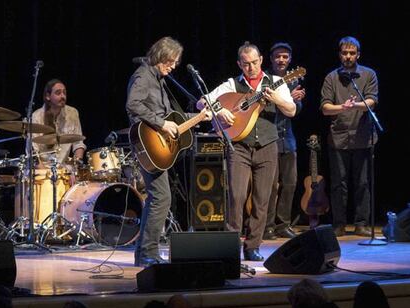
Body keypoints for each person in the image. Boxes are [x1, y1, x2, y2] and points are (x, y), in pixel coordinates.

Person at [197, 41, 296, 261]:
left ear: (261, 60)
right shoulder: (232, 84)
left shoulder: (278, 82)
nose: (251, 67)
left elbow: (291, 110)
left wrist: (276, 98)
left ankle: (252, 247)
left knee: (262, 198)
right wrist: (220, 110)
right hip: (239, 146)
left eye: (254, 62)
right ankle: (231, 246)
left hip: (268, 146)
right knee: (237, 195)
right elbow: (201, 102)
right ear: (239, 64)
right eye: (246, 64)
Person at [126, 36, 211, 267]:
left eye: (176, 62)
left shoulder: (160, 80)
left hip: (157, 146)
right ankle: (147, 253)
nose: (174, 66)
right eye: (171, 61)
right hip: (147, 145)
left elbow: (172, 119)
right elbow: (133, 105)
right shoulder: (143, 76)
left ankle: (143, 253)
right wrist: (162, 124)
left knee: (159, 197)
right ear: (160, 56)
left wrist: (199, 117)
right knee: (161, 197)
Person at [320, 36, 378, 237]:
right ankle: (339, 224)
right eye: (345, 53)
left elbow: (371, 101)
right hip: (338, 138)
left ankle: (361, 223)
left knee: (362, 183)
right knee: (339, 184)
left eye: (352, 53)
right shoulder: (331, 78)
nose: (348, 56)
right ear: (339, 55)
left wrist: (356, 105)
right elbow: (325, 108)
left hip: (363, 136)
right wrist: (342, 107)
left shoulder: (368, 74)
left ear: (358, 55)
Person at [264, 42, 305, 240]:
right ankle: (267, 226)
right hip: (268, 137)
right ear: (271, 59)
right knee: (270, 186)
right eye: (278, 56)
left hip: (287, 139)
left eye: (285, 57)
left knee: (289, 183)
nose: (281, 60)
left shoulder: (292, 80)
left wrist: (296, 100)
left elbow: (296, 111)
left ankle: (283, 225)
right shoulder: (263, 80)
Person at [32, 79, 86, 166]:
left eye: (64, 93)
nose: (63, 96)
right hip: (43, 169)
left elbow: (78, 144)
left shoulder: (72, 113)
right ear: (48, 96)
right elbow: (34, 151)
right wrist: (41, 172)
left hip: (64, 169)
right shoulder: (36, 117)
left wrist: (76, 166)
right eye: (58, 93)